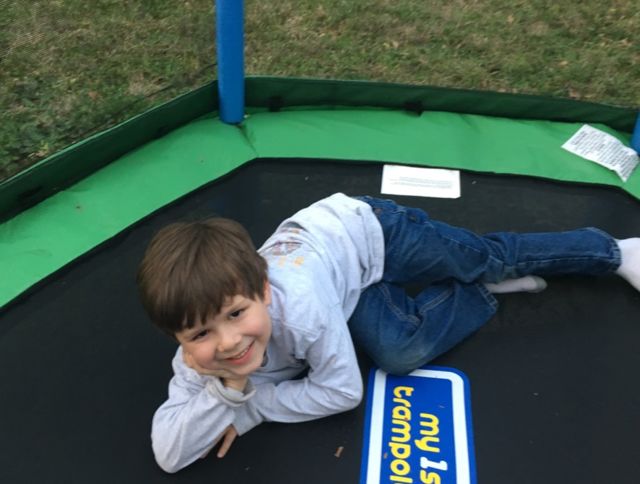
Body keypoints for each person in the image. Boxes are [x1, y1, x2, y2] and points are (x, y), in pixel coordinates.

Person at [137, 193, 640, 473]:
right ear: (177, 340)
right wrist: (225, 392)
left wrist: (250, 408)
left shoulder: (303, 312)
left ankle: (614, 251)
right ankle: (481, 294)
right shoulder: (196, 363)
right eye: (200, 334)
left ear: (263, 292)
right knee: (401, 352)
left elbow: (342, 391)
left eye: (235, 314)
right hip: (347, 286)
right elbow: (169, 454)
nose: (227, 343)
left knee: (486, 258)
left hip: (370, 231)